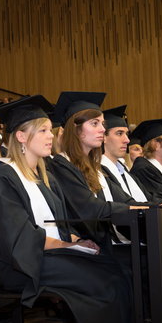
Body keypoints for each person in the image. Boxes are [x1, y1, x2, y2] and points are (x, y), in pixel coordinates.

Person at [0, 95, 132, 323]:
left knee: (114, 270)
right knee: (102, 281)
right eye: (42, 131)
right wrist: (66, 245)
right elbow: (18, 236)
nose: (50, 135)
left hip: (48, 254)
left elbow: (58, 224)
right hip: (22, 262)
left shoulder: (45, 176)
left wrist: (77, 240)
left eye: (49, 130)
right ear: (21, 136)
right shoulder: (4, 177)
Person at [47, 92, 134, 248]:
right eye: (95, 123)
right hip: (90, 246)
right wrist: (137, 208)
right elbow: (91, 209)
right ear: (75, 129)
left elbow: (125, 201)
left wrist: (158, 206)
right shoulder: (61, 166)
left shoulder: (96, 167)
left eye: (102, 124)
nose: (102, 129)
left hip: (108, 243)